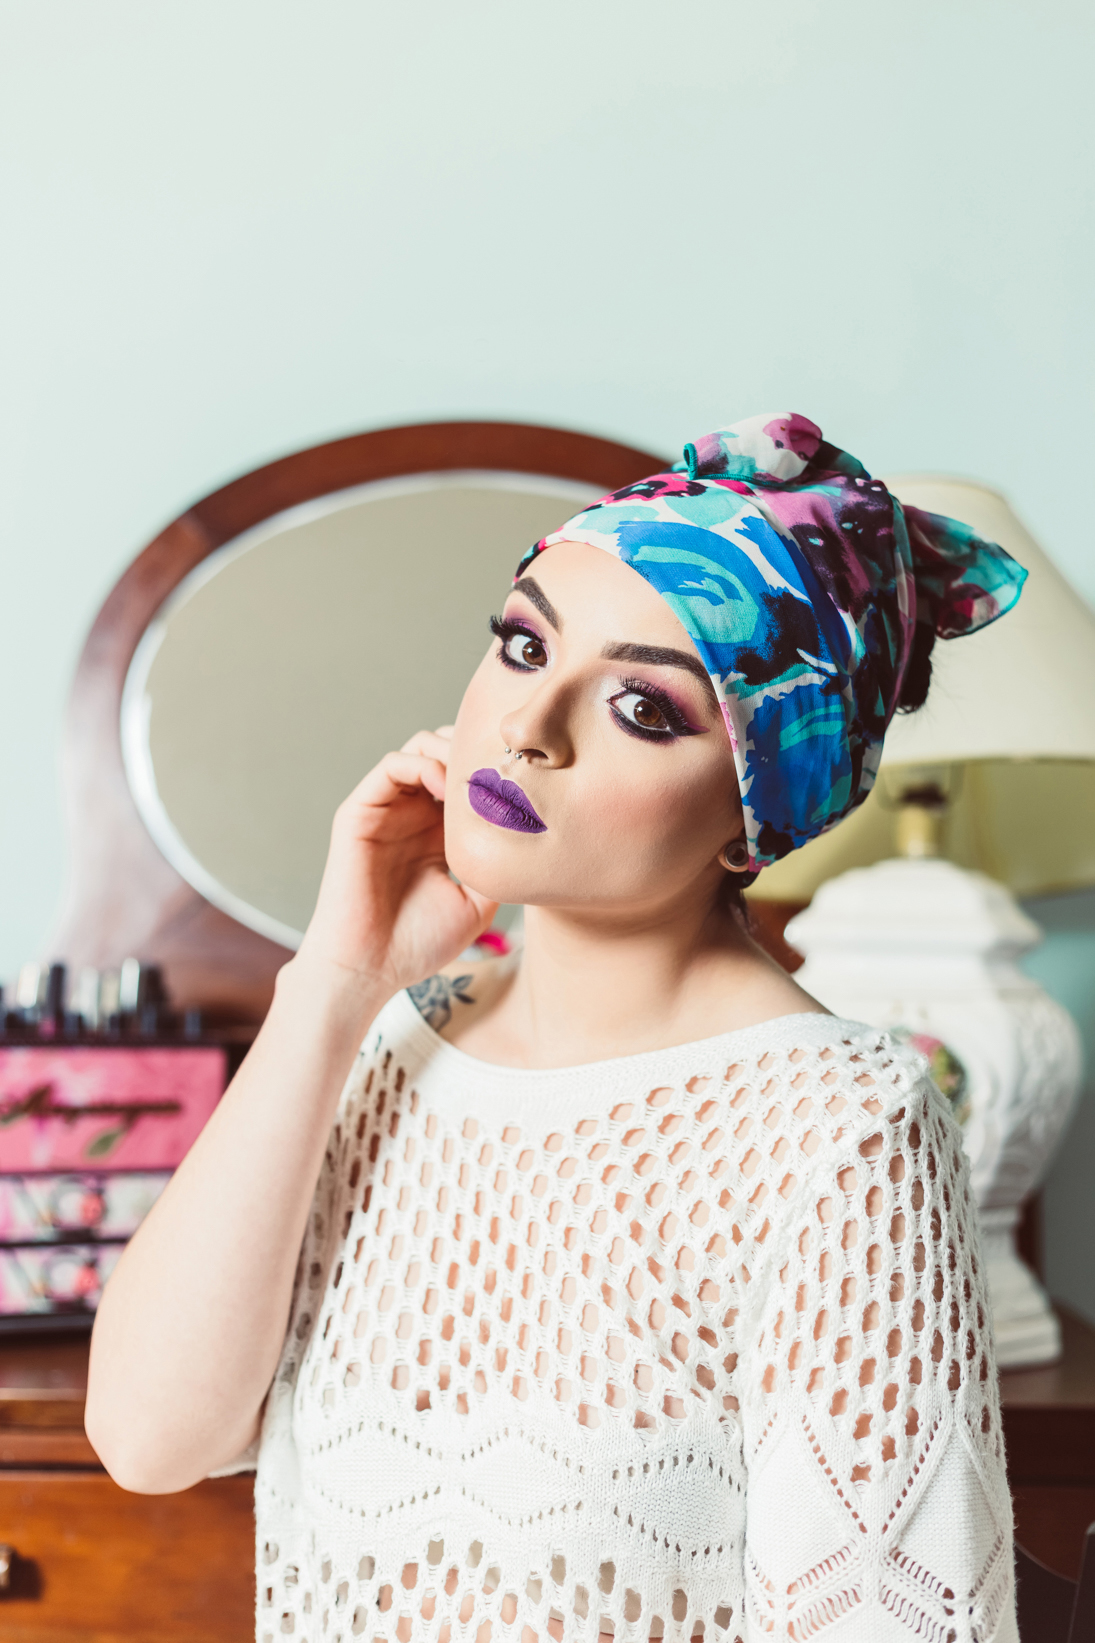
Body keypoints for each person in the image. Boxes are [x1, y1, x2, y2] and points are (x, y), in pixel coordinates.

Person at [85, 413, 1026, 1643]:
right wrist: (335, 978)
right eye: (525, 644)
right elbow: (149, 1438)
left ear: (761, 805)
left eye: (644, 706)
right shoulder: (387, 1045)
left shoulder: (839, 1132)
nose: (529, 724)